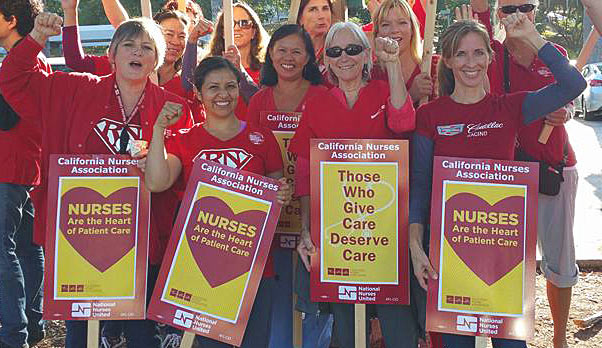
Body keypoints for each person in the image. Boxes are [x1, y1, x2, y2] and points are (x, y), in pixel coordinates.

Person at [0, 14, 195, 348]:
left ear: (157, 59)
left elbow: (179, 176)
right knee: (81, 332)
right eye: (129, 44)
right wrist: (34, 38)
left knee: (140, 333)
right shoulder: (74, 88)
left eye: (147, 47)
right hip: (80, 233)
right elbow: (14, 80)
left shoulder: (173, 107)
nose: (137, 51)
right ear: (112, 54)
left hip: (140, 239)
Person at [408, 16, 585, 348]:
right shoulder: (431, 115)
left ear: (491, 57)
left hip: (504, 258)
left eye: (478, 53)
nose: (470, 63)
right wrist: (416, 247)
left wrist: (533, 38)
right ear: (447, 60)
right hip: (449, 256)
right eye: (461, 54)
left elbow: (573, 84)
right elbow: (420, 185)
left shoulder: (511, 106)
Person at [144, 56, 291, 348]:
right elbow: (156, 182)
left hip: (254, 267)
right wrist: (159, 129)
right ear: (198, 93)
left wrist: (282, 195)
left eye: (230, 86)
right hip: (200, 266)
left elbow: (277, 193)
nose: (223, 94)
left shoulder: (261, 138)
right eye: (213, 87)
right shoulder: (184, 139)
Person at [290, 22, 416, 348]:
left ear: (366, 54)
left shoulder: (384, 90)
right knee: (347, 331)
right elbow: (304, 172)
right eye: (335, 51)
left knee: (397, 327)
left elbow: (404, 123)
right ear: (326, 60)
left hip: (387, 231)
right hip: (340, 235)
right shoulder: (316, 101)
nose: (344, 57)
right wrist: (306, 229)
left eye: (353, 49)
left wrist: (392, 65)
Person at [468, 1, 579, 346]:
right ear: (498, 14)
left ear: (536, 10)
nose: (518, 14)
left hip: (554, 169)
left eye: (526, 6)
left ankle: (559, 339)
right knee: (507, 264)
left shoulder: (554, 52)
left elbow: (572, 90)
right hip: (509, 174)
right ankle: (509, 336)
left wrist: (567, 112)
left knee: (560, 262)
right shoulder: (491, 55)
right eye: (508, 8)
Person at [244, 24, 329, 348]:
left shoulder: (323, 97)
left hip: (317, 218)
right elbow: (250, 159)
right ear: (270, 55)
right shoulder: (259, 100)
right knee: (277, 303)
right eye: (281, 50)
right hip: (272, 224)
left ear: (309, 56)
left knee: (313, 305)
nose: (289, 57)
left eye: (297, 51)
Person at [0, 2, 48, 348]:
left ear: (11, 20)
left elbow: (7, 118)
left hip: (10, 165)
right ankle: (33, 324)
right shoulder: (32, 57)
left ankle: (14, 333)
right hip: (26, 165)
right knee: (29, 248)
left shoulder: (23, 59)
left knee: (4, 249)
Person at [372, 0, 438, 105]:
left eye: (402, 22)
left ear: (412, 29)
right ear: (377, 33)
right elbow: (377, 119)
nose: (394, 30)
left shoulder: (435, 67)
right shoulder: (372, 75)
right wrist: (412, 95)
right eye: (385, 24)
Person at [297, 0, 333, 72]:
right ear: (300, 18)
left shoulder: (339, 48)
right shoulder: (290, 50)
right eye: (313, 9)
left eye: (325, 8)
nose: (321, 16)